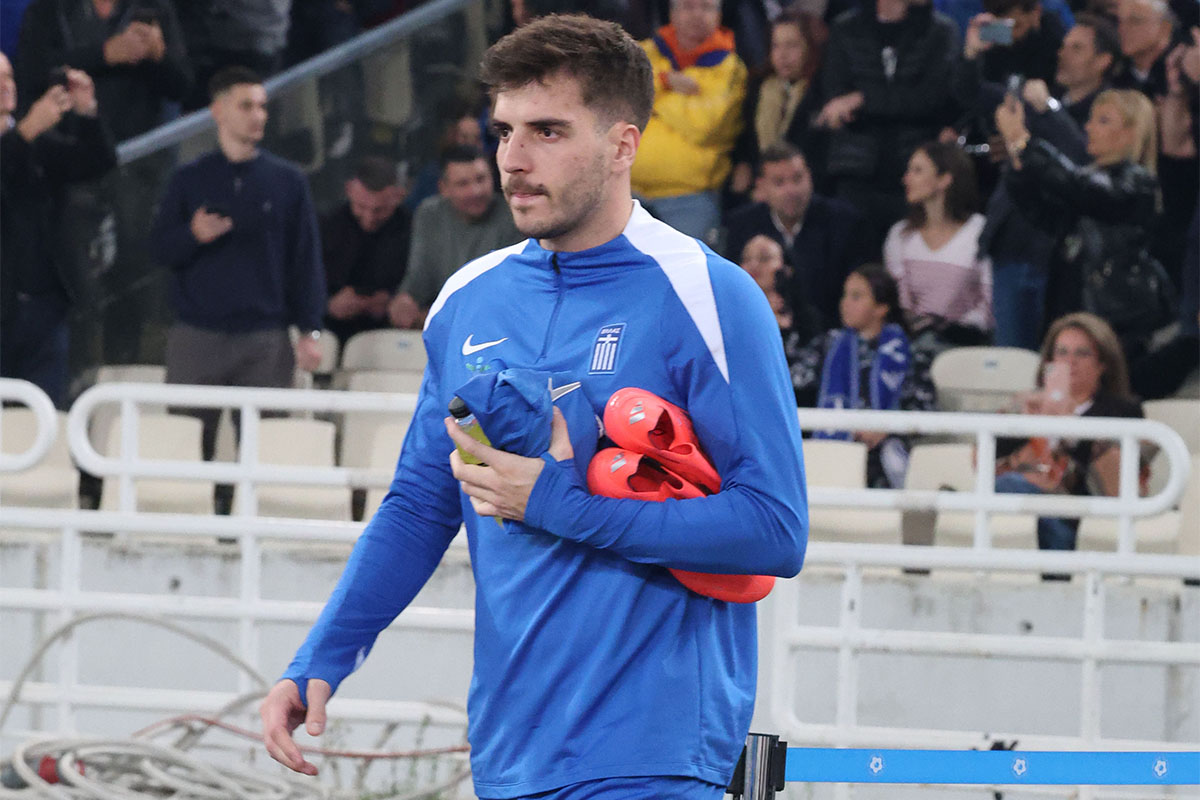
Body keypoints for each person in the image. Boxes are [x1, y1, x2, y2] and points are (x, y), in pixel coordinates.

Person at [260, 14, 808, 800]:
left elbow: (775, 530)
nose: (513, 160)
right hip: (509, 750)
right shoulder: (466, 299)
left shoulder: (710, 296)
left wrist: (559, 504)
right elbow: (420, 504)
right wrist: (323, 655)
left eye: (547, 131)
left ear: (623, 145)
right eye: (504, 131)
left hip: (654, 754)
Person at [149, 66, 325, 459]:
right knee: (184, 450)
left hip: (265, 337)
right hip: (197, 334)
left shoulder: (288, 181)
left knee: (266, 453)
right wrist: (193, 235)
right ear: (218, 111)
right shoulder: (189, 179)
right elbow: (159, 250)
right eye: (246, 106)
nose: (258, 115)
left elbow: (305, 259)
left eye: (262, 106)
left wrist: (309, 329)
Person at [995, 87, 1167, 363]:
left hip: (1112, 319)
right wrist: (1017, 157)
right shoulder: (1085, 179)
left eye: (1103, 120)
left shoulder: (1138, 183)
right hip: (1067, 309)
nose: (1088, 127)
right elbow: (1041, 213)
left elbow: (1085, 191)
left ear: (1131, 133)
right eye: (1091, 119)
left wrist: (1024, 143)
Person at [0, 54, 115, 407]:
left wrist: (87, 112)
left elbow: (96, 162)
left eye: (9, 76)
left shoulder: (40, 142)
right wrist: (24, 132)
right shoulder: (27, 135)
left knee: (45, 416)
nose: (6, 85)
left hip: (45, 307)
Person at [995, 312, 1146, 556]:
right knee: (1007, 487)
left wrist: (1071, 428)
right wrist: (1020, 417)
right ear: (1049, 360)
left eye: (1082, 353)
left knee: (1010, 487)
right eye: (1062, 352)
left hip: (1080, 517)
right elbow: (984, 460)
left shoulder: (1122, 410)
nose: (1070, 361)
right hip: (1019, 508)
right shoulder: (1029, 405)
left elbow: (1120, 482)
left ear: (1103, 364)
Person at [816, 0, 960, 252]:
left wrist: (863, 100)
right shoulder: (845, 29)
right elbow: (836, 97)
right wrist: (886, 102)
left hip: (914, 174)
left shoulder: (940, 31)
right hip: (856, 172)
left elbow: (931, 98)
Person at [786, 263, 935, 488]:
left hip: (887, 456)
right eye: (845, 295)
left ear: (881, 307)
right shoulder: (828, 346)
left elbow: (925, 406)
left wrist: (887, 427)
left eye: (856, 296)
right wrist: (785, 329)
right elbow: (791, 378)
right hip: (837, 450)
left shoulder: (910, 353)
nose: (845, 303)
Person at [630, 0, 747, 242]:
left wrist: (655, 99)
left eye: (706, 7)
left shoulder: (731, 67)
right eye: (688, 6)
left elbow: (707, 126)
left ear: (719, 15)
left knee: (691, 267)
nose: (697, 14)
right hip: (627, 192)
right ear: (672, 12)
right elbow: (622, 99)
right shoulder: (642, 52)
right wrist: (665, 82)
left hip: (691, 200)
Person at [722, 142, 867, 334]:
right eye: (779, 182)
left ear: (810, 177)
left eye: (798, 179)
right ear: (762, 187)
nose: (791, 191)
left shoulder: (844, 222)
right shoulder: (741, 226)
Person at [15, 0, 192, 142]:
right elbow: (32, 74)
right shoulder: (49, 9)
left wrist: (159, 56)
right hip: (72, 149)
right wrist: (104, 54)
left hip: (141, 151)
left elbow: (182, 87)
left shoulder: (152, 6)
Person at [387, 145, 520, 330]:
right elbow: (420, 276)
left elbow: (502, 293)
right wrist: (406, 299)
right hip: (437, 322)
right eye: (463, 184)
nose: (476, 191)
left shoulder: (514, 216)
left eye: (481, 179)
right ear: (444, 188)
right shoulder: (429, 213)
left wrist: (438, 316)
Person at [884, 141, 994, 351]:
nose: (906, 179)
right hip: (913, 345)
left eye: (917, 171)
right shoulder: (900, 235)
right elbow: (899, 301)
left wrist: (950, 331)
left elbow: (990, 303)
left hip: (967, 347)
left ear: (944, 179)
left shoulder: (979, 232)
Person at [321, 155, 410, 345]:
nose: (369, 218)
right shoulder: (325, 226)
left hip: (391, 334)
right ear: (349, 190)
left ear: (398, 196)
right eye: (361, 207)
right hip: (329, 329)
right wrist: (327, 304)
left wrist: (392, 300)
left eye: (380, 210)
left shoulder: (412, 229)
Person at [976, 0, 1067, 86]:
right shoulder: (991, 38)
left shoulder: (1053, 36)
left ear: (1036, 13)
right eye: (1004, 28)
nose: (1011, 34)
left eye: (1016, 26)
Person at [1056, 13, 1122, 128]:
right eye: (1063, 46)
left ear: (1102, 61)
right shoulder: (1052, 98)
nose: (1062, 54)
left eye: (1076, 48)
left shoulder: (1110, 112)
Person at [1111, 0, 1175, 99]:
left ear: (1164, 28)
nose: (1122, 29)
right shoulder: (1114, 75)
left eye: (1135, 21)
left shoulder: (1180, 74)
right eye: (1120, 21)